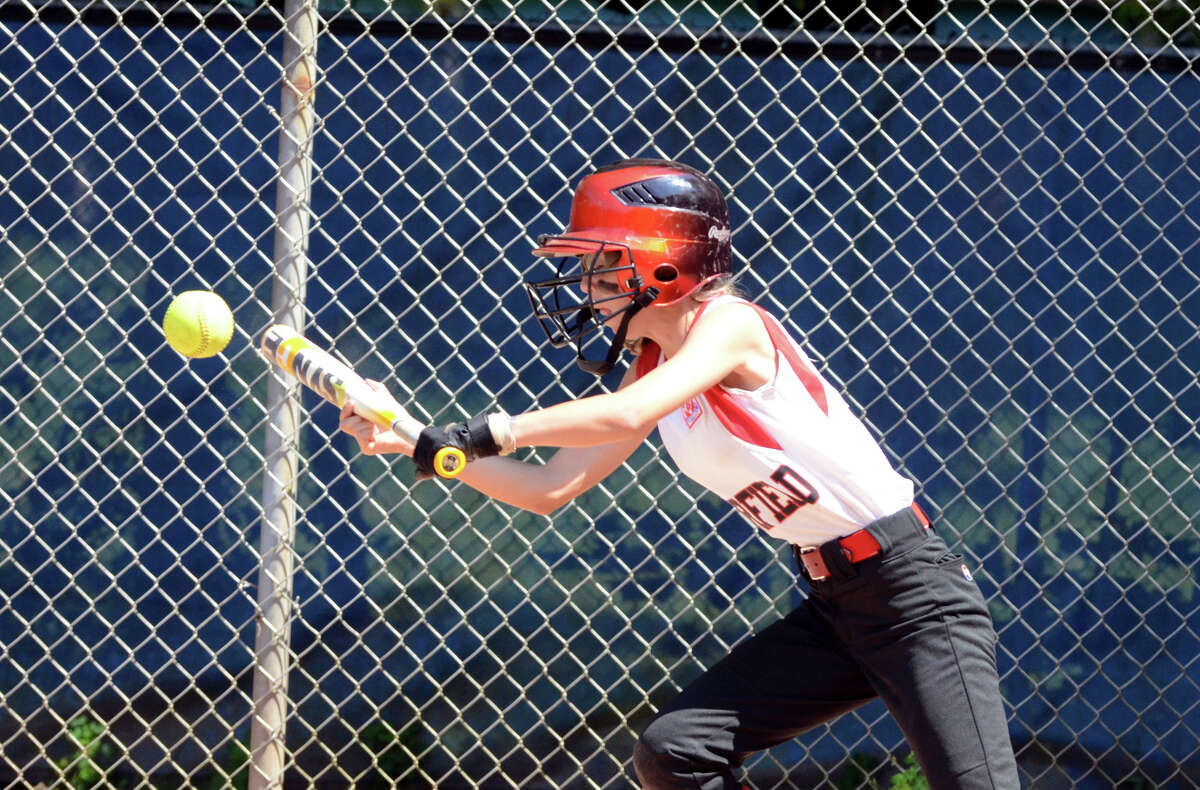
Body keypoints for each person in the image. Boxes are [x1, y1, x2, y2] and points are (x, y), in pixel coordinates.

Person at [339, 159, 1021, 789]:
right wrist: (409, 437)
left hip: (914, 597)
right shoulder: (656, 366)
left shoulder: (732, 325)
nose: (585, 291)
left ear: (664, 269)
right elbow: (550, 489)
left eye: (604, 271)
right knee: (676, 751)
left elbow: (623, 413)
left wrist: (491, 431)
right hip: (834, 605)